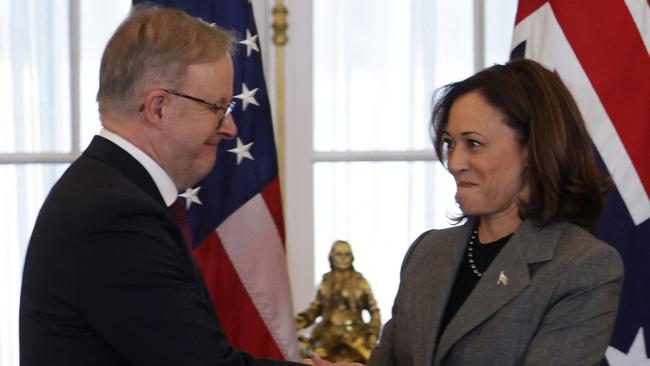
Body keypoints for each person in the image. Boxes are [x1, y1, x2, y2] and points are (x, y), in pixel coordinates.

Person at [19, 6, 358, 366]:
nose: (230, 128)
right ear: (158, 108)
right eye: (217, 107)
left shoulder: (109, 190)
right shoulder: (115, 216)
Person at [367, 59, 624, 366]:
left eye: (473, 144)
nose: (454, 162)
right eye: (450, 143)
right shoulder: (427, 252)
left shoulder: (583, 266)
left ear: (533, 149)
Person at [296, 240, 381, 362]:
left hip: (356, 338)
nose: (343, 259)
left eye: (347, 255)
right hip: (327, 337)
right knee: (307, 354)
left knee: (375, 360)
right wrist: (295, 324)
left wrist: (372, 334)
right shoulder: (325, 282)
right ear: (332, 256)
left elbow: (374, 311)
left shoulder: (361, 282)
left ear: (352, 257)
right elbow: (314, 310)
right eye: (339, 254)